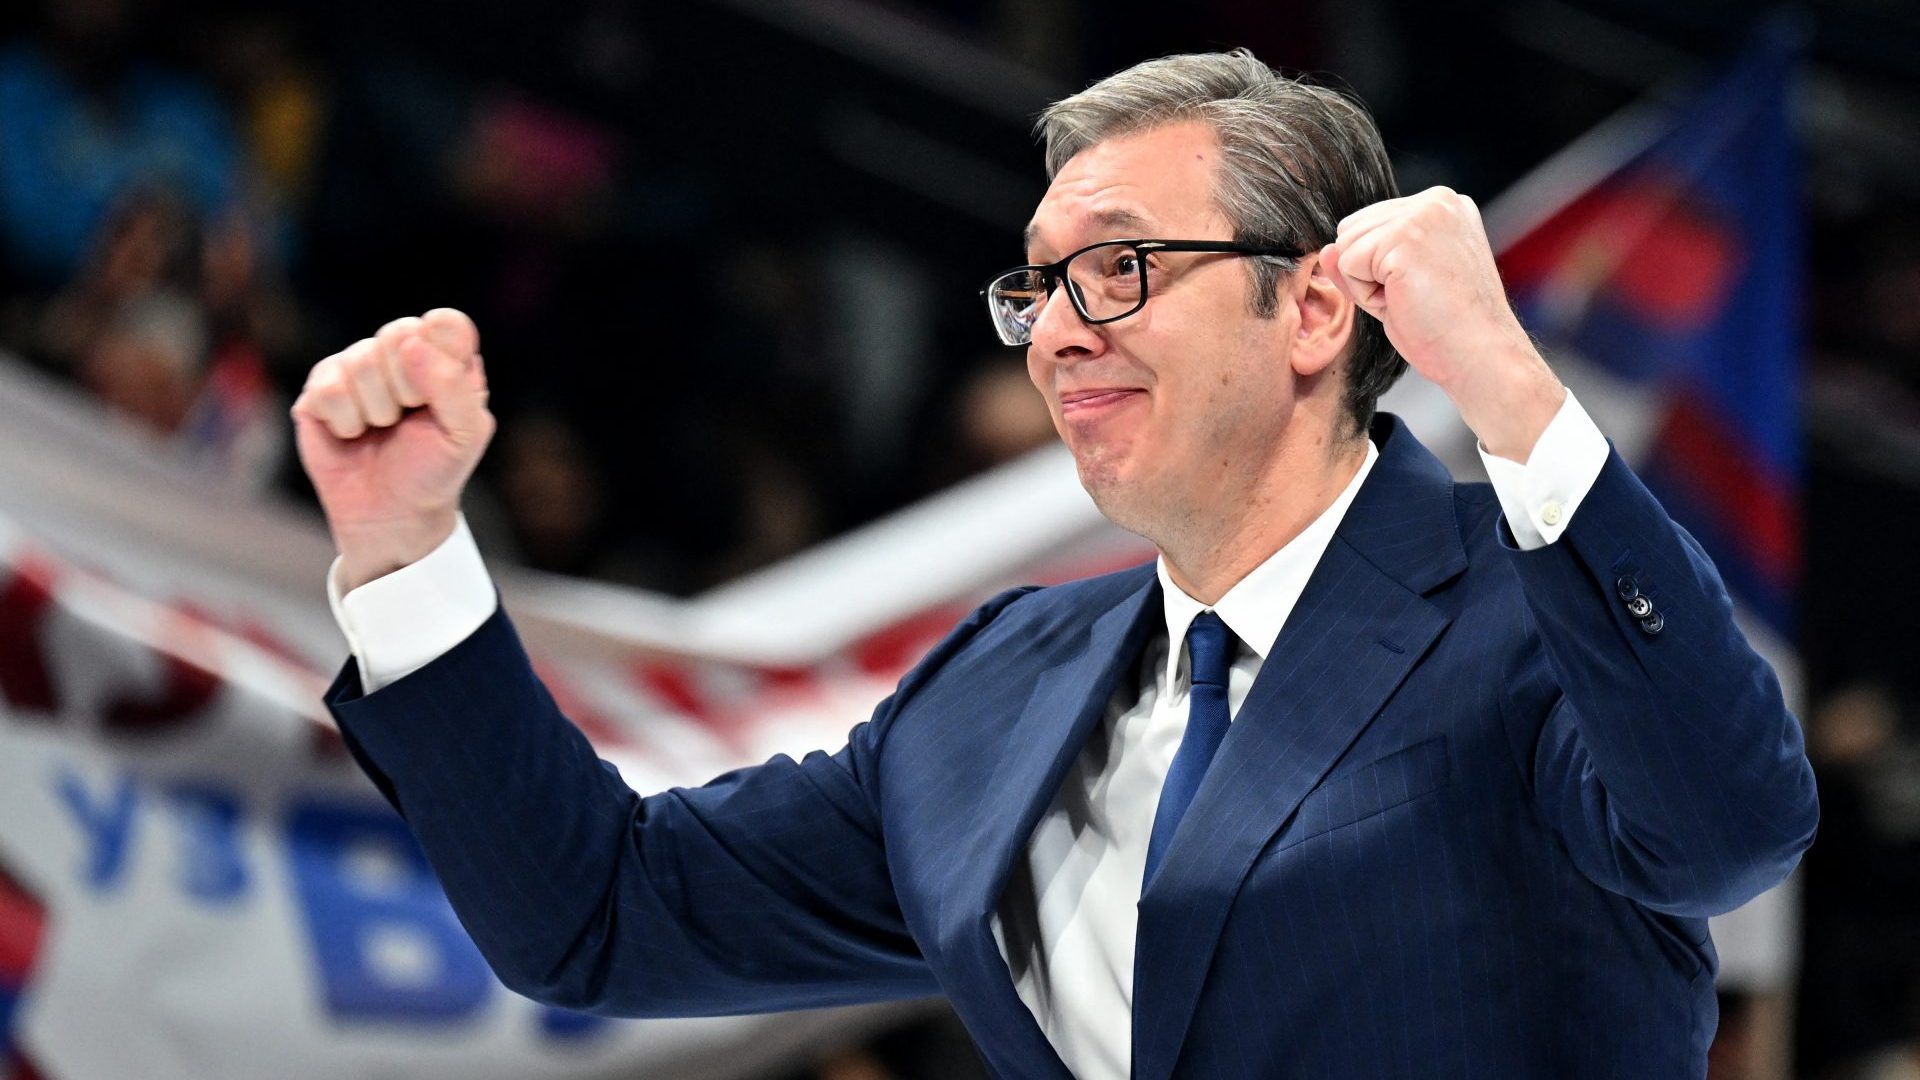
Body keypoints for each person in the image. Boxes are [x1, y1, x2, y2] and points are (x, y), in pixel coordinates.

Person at [292, 51, 1818, 1079]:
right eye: (1039, 286)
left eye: (1122, 269)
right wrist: (409, 550)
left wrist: (1511, 393)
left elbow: (1731, 825)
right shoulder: (992, 692)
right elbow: (600, 914)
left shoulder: (1534, 611)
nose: (1062, 329)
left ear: (1314, 311)